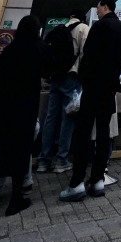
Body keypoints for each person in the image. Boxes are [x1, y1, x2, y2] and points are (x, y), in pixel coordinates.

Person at [60, 0, 121, 201]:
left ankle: (77, 183)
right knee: (103, 132)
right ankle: (98, 180)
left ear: (105, 7)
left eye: (98, 7)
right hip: (110, 88)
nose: (97, 11)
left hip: (92, 88)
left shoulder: (99, 27)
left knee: (83, 132)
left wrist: (84, 80)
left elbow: (88, 56)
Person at [0, 15, 52, 216]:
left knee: (0, 149)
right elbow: (50, 69)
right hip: (25, 106)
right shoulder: (38, 48)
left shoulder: (9, 50)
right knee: (21, 151)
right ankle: (15, 198)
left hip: (4, 106)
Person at [38, 10, 90, 173]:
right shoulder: (83, 28)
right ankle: (61, 160)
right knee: (68, 118)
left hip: (56, 78)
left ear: (70, 17)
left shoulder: (60, 29)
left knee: (51, 117)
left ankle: (43, 160)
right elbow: (85, 54)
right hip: (72, 78)